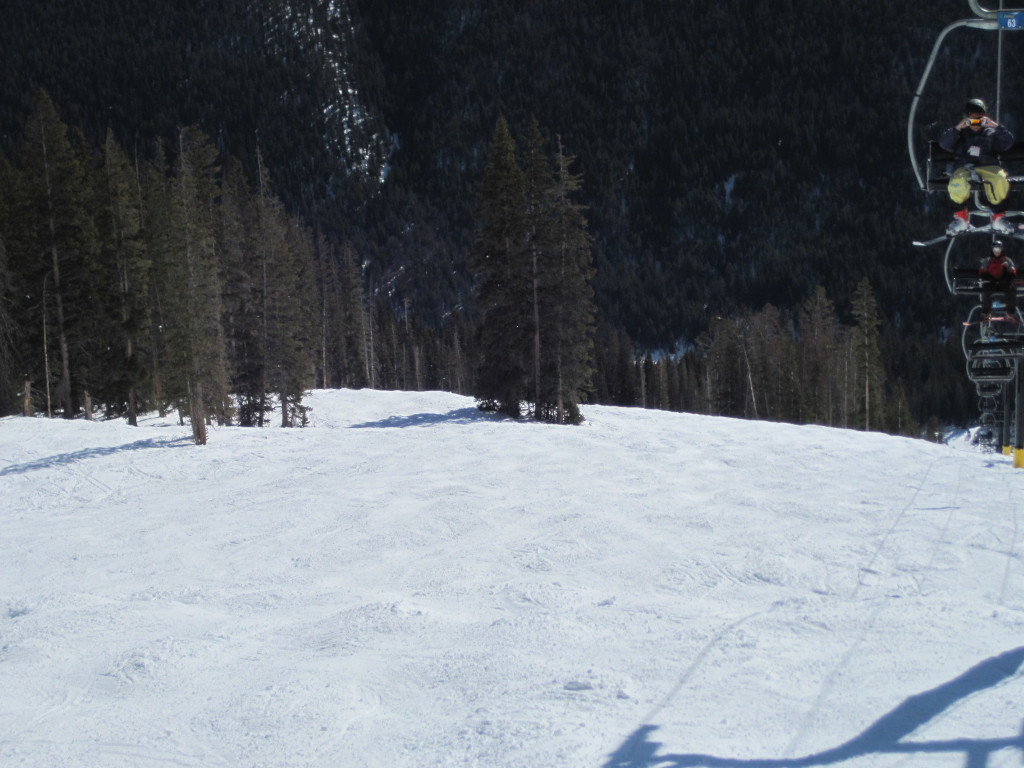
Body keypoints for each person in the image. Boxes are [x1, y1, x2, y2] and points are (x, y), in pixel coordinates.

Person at [939, 98, 1015, 235]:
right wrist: (958, 128)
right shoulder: (960, 133)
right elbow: (945, 144)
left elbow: (1008, 143)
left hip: (988, 165)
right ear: (966, 118)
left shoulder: (990, 132)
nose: (976, 124)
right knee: (958, 182)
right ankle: (961, 217)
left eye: (979, 119)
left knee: (999, 180)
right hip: (965, 166)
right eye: (972, 119)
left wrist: (995, 126)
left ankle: (998, 217)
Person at [979, 239, 1018, 321]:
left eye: (998, 250)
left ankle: (1010, 313)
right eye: (995, 250)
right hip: (992, 283)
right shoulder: (988, 260)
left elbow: (1013, 271)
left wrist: (1006, 279)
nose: (997, 252)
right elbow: (982, 272)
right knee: (986, 290)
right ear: (992, 250)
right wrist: (990, 278)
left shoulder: (1006, 260)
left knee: (1011, 290)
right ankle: (986, 313)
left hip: (1004, 283)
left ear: (1001, 250)